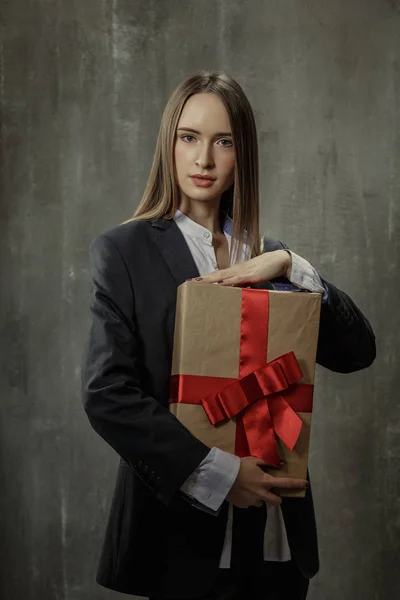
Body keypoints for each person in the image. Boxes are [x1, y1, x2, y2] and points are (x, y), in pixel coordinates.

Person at [81, 71, 376, 600]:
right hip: (181, 534)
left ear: (243, 154)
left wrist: (291, 263)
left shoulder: (267, 256)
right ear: (169, 144)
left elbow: (358, 352)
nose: (204, 160)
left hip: (275, 536)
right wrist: (217, 474)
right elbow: (107, 395)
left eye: (224, 142)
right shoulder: (123, 252)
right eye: (189, 138)